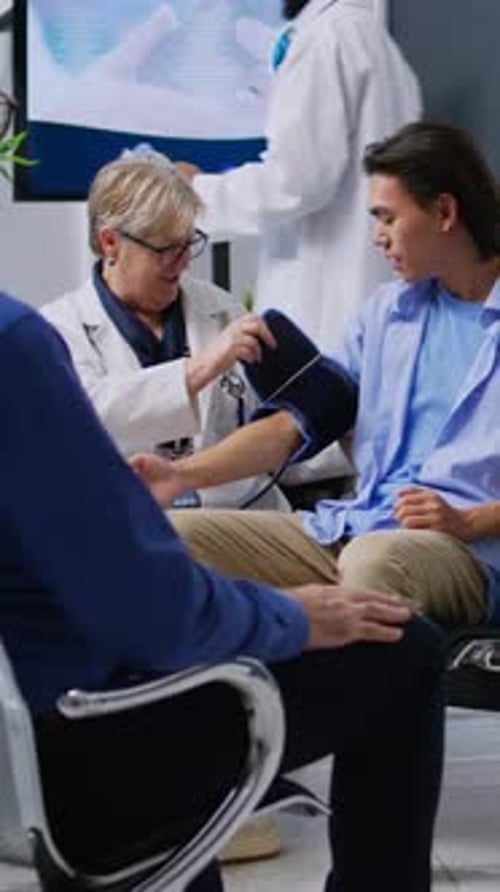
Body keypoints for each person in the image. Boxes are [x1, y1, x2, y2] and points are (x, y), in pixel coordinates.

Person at [0, 295, 445, 892]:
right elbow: (152, 612)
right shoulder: (15, 343)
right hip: (82, 757)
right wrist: (292, 614)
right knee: (403, 646)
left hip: (24, 750)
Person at [133, 121, 500, 629]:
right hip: (353, 527)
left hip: (464, 552)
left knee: (374, 563)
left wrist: (470, 520)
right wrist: (182, 476)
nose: (378, 237)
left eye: (388, 218)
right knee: (171, 538)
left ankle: (358, 707)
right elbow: (294, 423)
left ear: (444, 211)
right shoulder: (389, 314)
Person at [41, 148, 289, 511]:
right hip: (125, 522)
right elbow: (86, 416)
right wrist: (200, 369)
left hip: (238, 517)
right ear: (111, 241)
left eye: (189, 243)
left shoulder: (220, 309)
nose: (184, 262)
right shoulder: (59, 326)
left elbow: (273, 421)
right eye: (167, 249)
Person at [177, 0, 421, 352]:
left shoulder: (326, 38)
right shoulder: (374, 43)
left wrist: (196, 191)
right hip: (367, 303)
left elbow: (295, 181)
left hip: (326, 314)